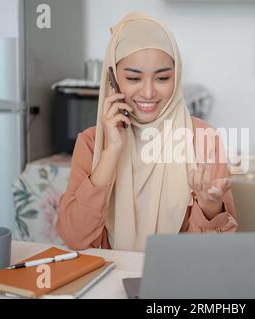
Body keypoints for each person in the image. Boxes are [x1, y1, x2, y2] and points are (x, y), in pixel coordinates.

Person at [56, 12, 237, 251]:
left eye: (162, 78)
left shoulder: (203, 139)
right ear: (113, 79)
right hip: (109, 279)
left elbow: (216, 255)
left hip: (178, 279)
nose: (149, 93)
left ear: (177, 75)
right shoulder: (91, 143)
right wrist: (111, 152)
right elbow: (75, 238)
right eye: (133, 77)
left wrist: (210, 207)